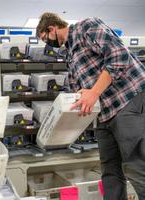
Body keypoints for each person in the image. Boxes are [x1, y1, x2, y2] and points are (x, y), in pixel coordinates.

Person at [36, 13, 145, 199]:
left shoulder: (86, 27)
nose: (47, 44)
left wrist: (93, 92)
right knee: (110, 171)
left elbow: (119, 56)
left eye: (46, 39)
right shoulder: (69, 53)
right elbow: (77, 90)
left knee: (136, 166)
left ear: (52, 28)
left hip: (126, 102)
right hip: (104, 115)